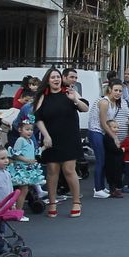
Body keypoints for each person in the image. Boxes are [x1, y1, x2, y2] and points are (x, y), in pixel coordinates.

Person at [32, 67, 86, 218]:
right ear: (48, 80)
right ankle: (52, 202)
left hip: (70, 137)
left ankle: (76, 202)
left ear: (61, 79)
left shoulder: (69, 92)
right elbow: (38, 118)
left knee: (69, 170)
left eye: (57, 77)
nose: (55, 80)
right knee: (52, 171)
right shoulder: (43, 96)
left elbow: (84, 107)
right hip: (51, 137)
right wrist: (46, 136)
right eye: (52, 77)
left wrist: (75, 99)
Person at [96, 82, 129, 197]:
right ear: (110, 89)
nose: (118, 93)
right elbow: (103, 122)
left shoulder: (116, 103)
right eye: (115, 90)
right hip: (97, 131)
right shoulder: (104, 102)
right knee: (101, 162)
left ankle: (104, 188)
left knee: (112, 168)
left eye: (120, 91)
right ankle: (98, 189)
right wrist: (114, 137)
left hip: (107, 133)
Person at [7, 119, 44, 212]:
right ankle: (18, 211)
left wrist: (44, 147)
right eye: (27, 129)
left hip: (28, 169)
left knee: (25, 190)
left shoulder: (30, 141)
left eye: (31, 130)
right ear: (20, 130)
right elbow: (14, 154)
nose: (30, 132)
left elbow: (34, 152)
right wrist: (27, 160)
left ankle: (17, 209)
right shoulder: (20, 140)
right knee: (23, 191)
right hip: (21, 169)